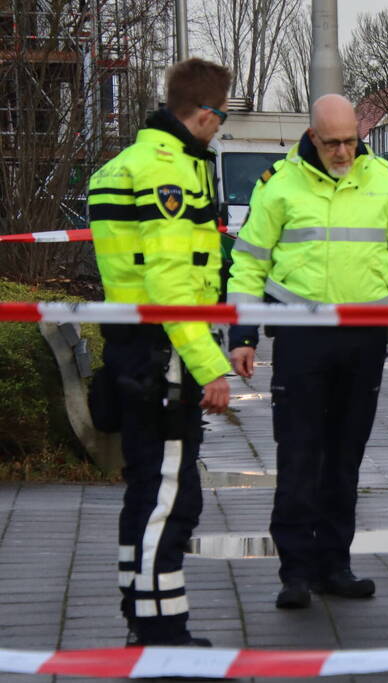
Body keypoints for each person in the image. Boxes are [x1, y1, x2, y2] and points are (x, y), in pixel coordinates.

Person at [226, 94, 388, 609]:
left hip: (364, 340)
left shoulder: (385, 184)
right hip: (301, 339)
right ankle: (296, 572)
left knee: (345, 457)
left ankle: (336, 564)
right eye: (332, 143)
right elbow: (247, 268)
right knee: (301, 455)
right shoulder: (279, 187)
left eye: (351, 140)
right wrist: (240, 335)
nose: (343, 151)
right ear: (312, 137)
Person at [88, 58, 233, 646]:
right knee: (170, 497)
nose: (219, 129)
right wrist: (211, 366)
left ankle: (144, 612)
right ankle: (159, 633)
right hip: (164, 354)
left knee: (147, 489)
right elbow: (173, 287)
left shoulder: (124, 165)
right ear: (203, 115)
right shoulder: (165, 173)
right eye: (220, 118)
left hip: (133, 348)